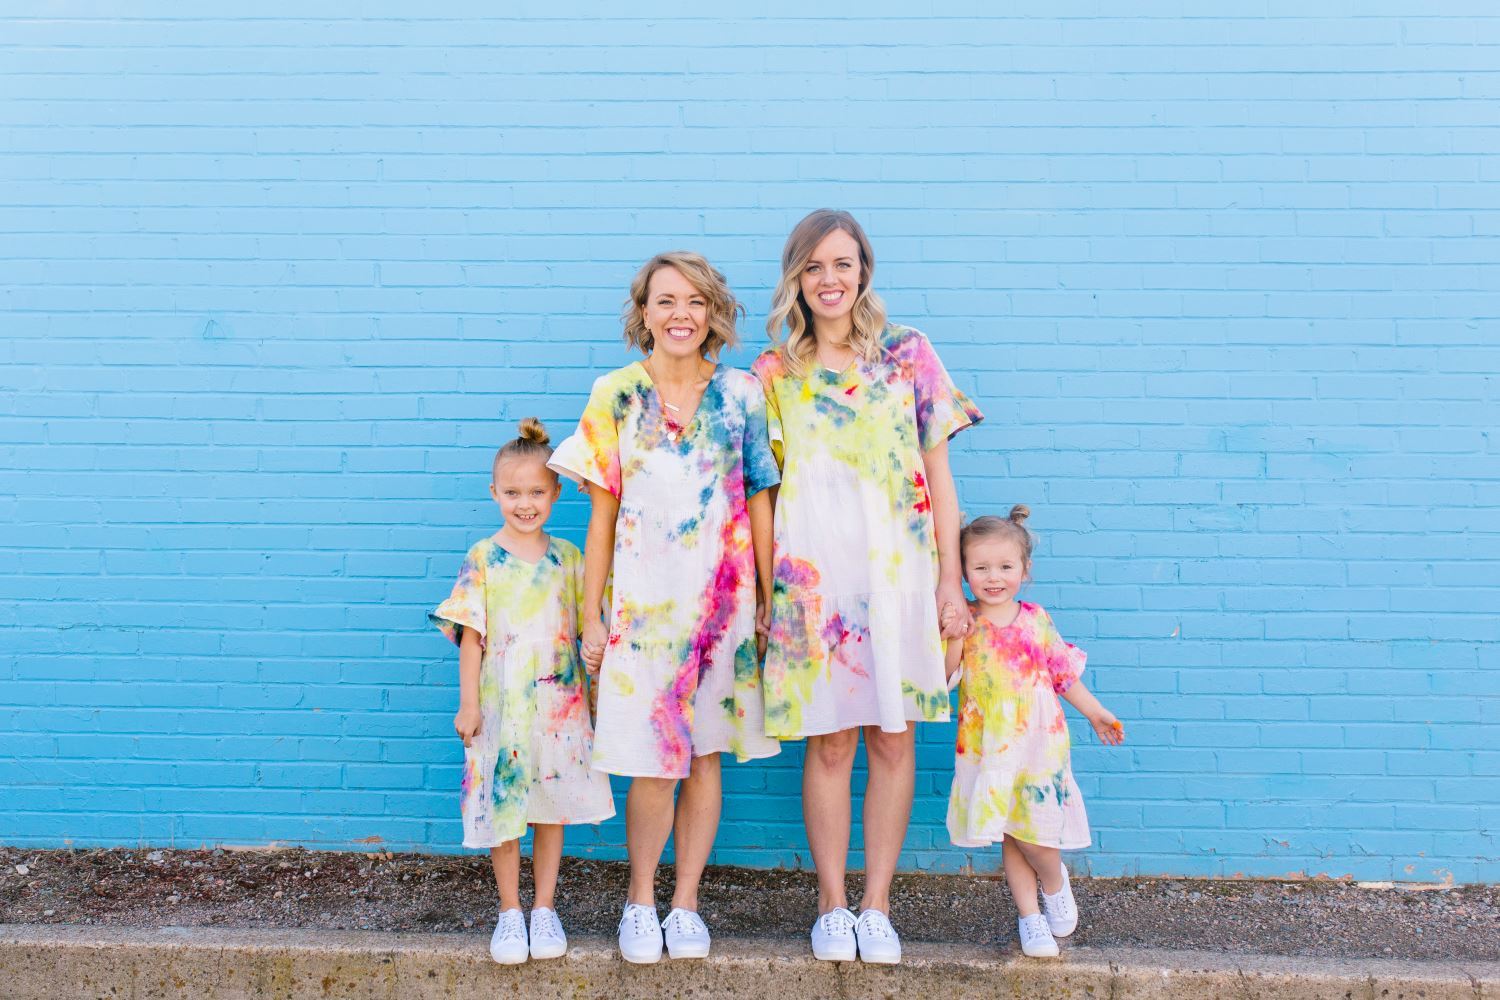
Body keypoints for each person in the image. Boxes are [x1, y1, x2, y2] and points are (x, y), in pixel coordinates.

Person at [753, 209, 983, 964]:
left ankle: (877, 905)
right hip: (813, 584)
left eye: (843, 264)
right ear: (797, 278)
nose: (830, 279)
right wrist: (764, 594)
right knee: (829, 746)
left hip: (899, 580)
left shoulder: (910, 357)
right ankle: (831, 906)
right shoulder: (774, 373)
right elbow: (762, 491)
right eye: (814, 266)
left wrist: (952, 583)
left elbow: (939, 478)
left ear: (864, 273)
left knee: (893, 739)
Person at [549, 251, 780, 964]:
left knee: (705, 756)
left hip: (722, 612)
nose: (681, 313)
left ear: (713, 313)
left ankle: (686, 904)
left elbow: (762, 502)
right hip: (643, 611)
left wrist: (770, 597)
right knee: (654, 761)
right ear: (642, 313)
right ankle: (640, 902)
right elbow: (600, 517)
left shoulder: (742, 393)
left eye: (695, 301)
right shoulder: (615, 393)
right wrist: (592, 614)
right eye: (665, 301)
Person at [429, 418, 615, 964]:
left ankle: (545, 908)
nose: (525, 503)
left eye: (536, 491)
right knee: (504, 807)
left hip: (559, 710)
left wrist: (597, 667)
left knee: (550, 806)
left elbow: (589, 627)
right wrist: (468, 704)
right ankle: (511, 910)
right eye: (513, 493)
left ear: (555, 492)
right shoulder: (484, 557)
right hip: (502, 708)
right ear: (495, 494)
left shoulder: (570, 559)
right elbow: (471, 635)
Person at [942, 506, 1125, 958]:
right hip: (988, 745)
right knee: (1009, 829)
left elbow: (1064, 675)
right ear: (964, 570)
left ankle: (1053, 879)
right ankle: (1029, 917)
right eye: (980, 567)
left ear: (1025, 569)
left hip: (1039, 743)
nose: (993, 577)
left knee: (1036, 832)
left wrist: (1096, 712)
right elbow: (945, 679)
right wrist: (952, 637)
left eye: (1005, 566)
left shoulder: (1035, 618)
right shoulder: (966, 620)